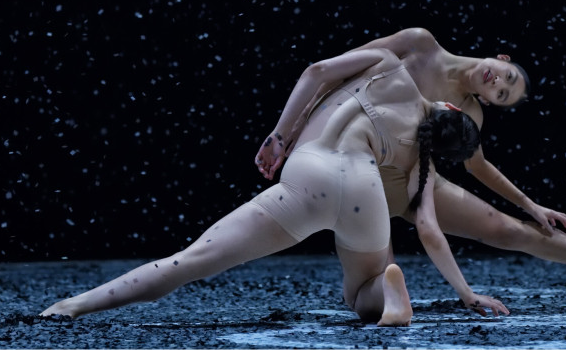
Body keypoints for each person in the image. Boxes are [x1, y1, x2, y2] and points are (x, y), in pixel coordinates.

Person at [41, 48, 509, 325]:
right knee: (360, 292)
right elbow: (429, 230)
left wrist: (280, 136)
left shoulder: (388, 64)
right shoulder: (418, 160)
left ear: (450, 106)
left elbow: (316, 71)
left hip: (311, 171)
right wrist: (466, 294)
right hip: (365, 190)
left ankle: (74, 305)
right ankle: (385, 292)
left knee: (193, 260)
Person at [255, 28, 566, 304]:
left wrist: (530, 205)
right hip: (355, 165)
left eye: (502, 94)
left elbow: (478, 167)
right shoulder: (419, 43)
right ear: (501, 57)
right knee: (373, 289)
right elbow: (331, 75)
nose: (497, 83)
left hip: (408, 179)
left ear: (487, 103)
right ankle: (387, 289)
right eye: (505, 77)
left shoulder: (471, 113)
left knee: (510, 230)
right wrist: (286, 135)